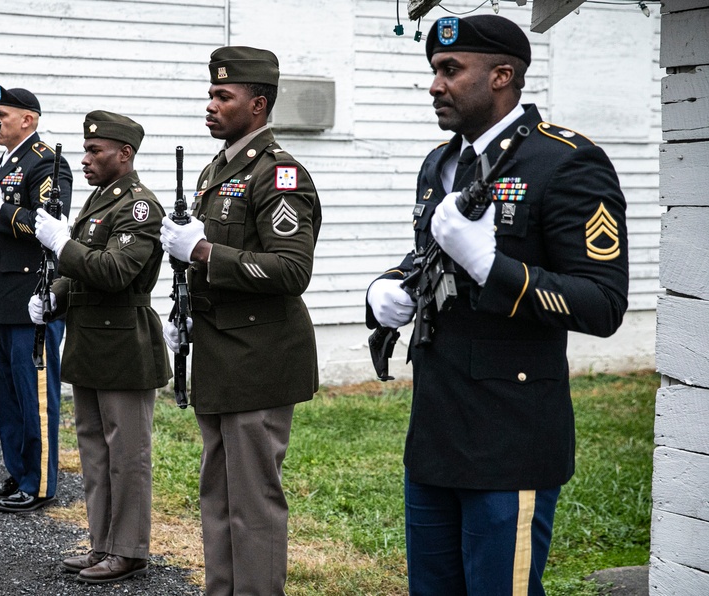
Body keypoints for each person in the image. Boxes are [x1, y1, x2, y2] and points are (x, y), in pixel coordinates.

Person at [364, 15, 629, 595]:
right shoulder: (440, 162)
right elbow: (427, 258)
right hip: (435, 430)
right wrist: (387, 287)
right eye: (435, 70)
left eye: (451, 70)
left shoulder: (564, 162)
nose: (436, 84)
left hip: (512, 438)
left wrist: (493, 268)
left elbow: (603, 303)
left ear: (503, 75)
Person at [159, 47, 322, 595]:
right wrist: (183, 311)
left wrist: (203, 252)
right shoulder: (217, 168)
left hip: (260, 357)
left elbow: (291, 269)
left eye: (223, 96)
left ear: (257, 105)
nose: (211, 104)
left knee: (252, 502)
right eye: (211, 93)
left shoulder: (277, 174)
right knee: (219, 496)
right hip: (219, 351)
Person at [30, 110, 169, 583]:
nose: (86, 159)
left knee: (127, 455)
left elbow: (113, 272)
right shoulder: (99, 202)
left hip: (124, 342)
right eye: (86, 150)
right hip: (89, 340)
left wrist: (62, 244)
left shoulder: (138, 207)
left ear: (124, 154)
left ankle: (129, 551)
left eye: (96, 151)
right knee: (94, 450)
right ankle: (102, 543)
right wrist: (53, 298)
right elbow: (83, 274)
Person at [0, 86, 72, 512]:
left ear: (28, 119)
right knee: (7, 391)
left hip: (30, 297)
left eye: (1, 115)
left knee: (35, 396)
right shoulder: (5, 161)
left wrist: (0, 211)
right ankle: (18, 472)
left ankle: (41, 483)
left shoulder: (47, 162)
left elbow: (49, 223)